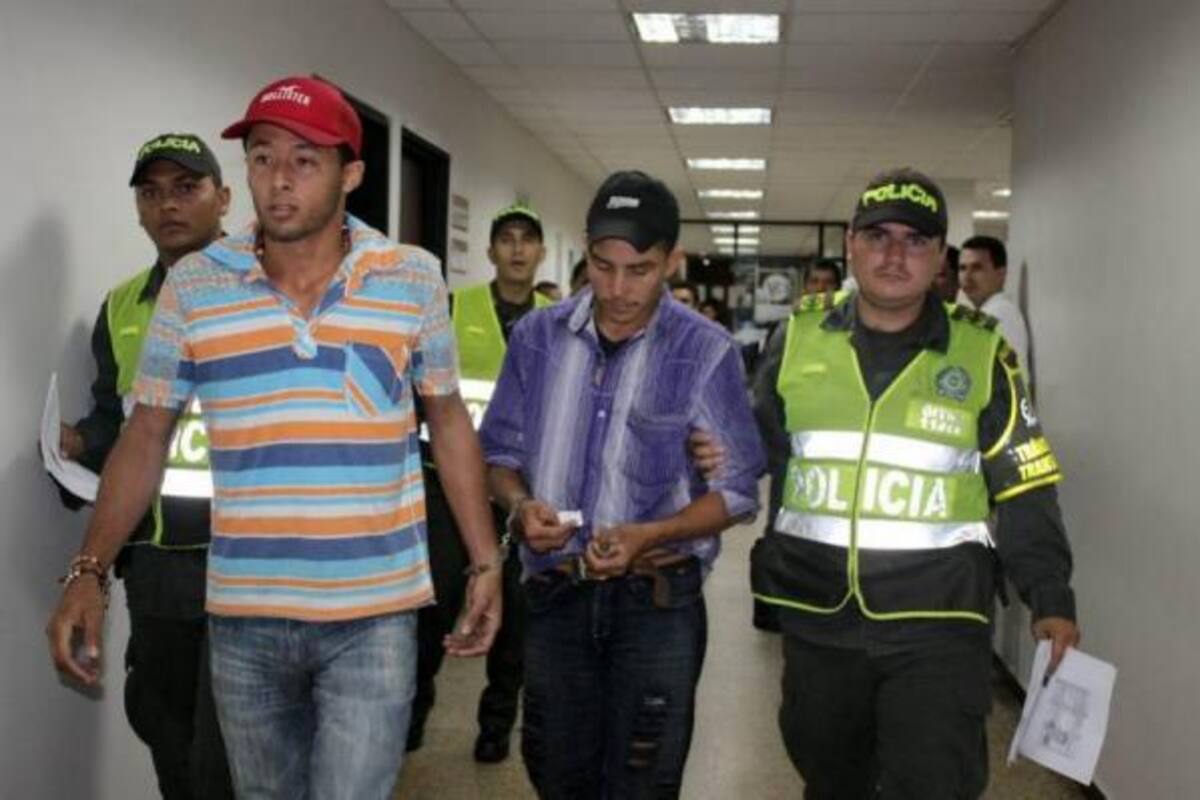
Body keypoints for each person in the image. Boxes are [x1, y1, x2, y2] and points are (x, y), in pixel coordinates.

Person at [46, 75, 502, 799]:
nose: (277, 181)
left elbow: (446, 419)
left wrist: (484, 562)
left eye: (304, 160)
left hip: (373, 619)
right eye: (261, 158)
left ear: (350, 174)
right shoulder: (196, 287)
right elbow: (145, 436)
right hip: (245, 618)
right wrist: (88, 572)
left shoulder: (411, 278)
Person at [751, 167, 1079, 799]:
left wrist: (1051, 595)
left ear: (940, 260)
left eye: (916, 240)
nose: (894, 254)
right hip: (819, 615)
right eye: (878, 236)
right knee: (828, 777)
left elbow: (1025, 482)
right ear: (851, 242)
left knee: (933, 782)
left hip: (938, 623)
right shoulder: (795, 341)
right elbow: (750, 458)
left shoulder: (983, 355)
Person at [480, 170, 764, 799]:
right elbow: (497, 454)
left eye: (639, 269)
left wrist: (653, 532)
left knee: (644, 778)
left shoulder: (705, 350)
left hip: (657, 604)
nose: (616, 289)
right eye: (603, 266)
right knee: (556, 772)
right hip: (555, 596)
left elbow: (739, 489)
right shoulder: (537, 338)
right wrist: (520, 504)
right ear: (585, 250)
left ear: (672, 261)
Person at [52, 133, 234, 800]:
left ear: (224, 199)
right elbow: (117, 417)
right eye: (151, 193)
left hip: (250, 561)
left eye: (187, 188)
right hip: (158, 566)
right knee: (171, 739)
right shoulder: (122, 307)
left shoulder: (270, 291)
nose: (168, 206)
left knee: (236, 754)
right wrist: (80, 442)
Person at [409, 203, 554, 763]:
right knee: (435, 605)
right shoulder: (451, 308)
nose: (518, 250)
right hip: (449, 489)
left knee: (517, 618)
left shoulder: (558, 320)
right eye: (507, 240)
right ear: (491, 253)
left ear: (540, 252)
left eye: (528, 240)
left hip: (520, 491)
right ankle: (412, 716)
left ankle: (495, 725)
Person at [958, 235, 1029, 372]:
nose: (967, 277)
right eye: (962, 268)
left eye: (977, 268)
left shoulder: (997, 315)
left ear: (1000, 274)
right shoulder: (992, 312)